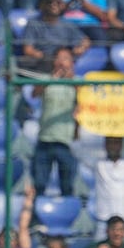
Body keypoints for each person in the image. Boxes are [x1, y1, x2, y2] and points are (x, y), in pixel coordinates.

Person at [31, 46, 78, 197]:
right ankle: (36, 217)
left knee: (67, 184)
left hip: (65, 141)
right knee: (39, 183)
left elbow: (84, 102)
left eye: (66, 58)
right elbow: (34, 94)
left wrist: (72, 80)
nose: (62, 62)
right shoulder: (47, 79)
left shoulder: (76, 82)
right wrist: (53, 78)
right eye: (59, 58)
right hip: (45, 139)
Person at [20, 0, 90, 67]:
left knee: (64, 58)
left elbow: (85, 40)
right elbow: (28, 50)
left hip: (63, 60)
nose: (53, 5)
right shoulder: (33, 23)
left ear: (62, 6)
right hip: (42, 61)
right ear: (43, 5)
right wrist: (46, 58)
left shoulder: (67, 24)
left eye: (58, 2)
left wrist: (81, 48)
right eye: (49, 2)